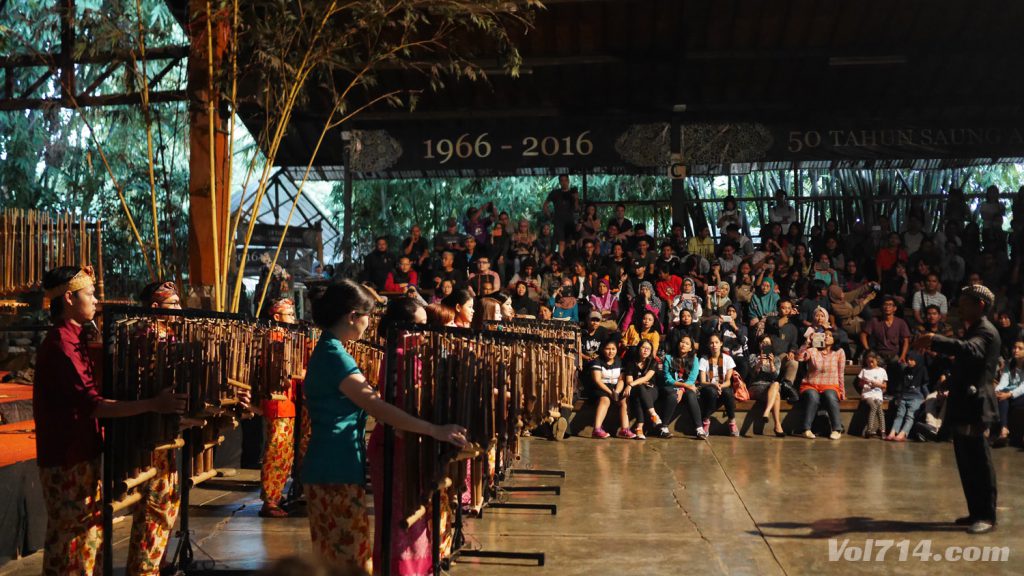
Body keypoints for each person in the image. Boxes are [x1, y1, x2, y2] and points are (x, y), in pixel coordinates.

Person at [303, 280, 468, 572]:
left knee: (341, 556)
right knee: (349, 560)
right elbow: (377, 407)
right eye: (368, 316)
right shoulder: (334, 356)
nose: (370, 324)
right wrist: (433, 429)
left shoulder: (331, 350)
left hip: (334, 465)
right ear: (353, 316)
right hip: (333, 466)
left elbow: (373, 400)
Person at [34, 267, 187, 575]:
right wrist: (153, 405)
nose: (96, 299)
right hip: (67, 456)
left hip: (82, 451)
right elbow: (95, 406)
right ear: (69, 298)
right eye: (89, 293)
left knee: (79, 541)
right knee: (75, 543)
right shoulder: (63, 344)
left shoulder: (76, 339)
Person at [912, 284, 1001, 534]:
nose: (959, 308)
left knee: (979, 461)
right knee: (966, 460)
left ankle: (987, 515)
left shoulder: (985, 332)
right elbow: (967, 364)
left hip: (976, 405)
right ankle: (975, 512)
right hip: (964, 402)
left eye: (964, 303)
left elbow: (969, 350)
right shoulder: (973, 329)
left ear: (980, 305)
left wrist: (935, 339)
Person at [260, 298, 302, 518]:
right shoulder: (274, 339)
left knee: (284, 453)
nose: (293, 319)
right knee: (276, 452)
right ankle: (270, 500)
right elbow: (281, 376)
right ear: (276, 317)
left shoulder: (284, 338)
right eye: (289, 315)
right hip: (278, 403)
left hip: (287, 404)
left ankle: (275, 494)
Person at [795, 330, 846, 440]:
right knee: (813, 396)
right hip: (811, 384)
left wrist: (842, 391)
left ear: (835, 339)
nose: (826, 337)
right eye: (824, 335)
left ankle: (837, 429)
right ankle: (806, 429)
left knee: (830, 396)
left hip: (830, 385)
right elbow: (799, 357)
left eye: (830, 335)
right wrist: (807, 342)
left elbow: (840, 373)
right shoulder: (813, 351)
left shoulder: (839, 352)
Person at [588, 339, 636, 439]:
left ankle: (624, 429)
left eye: (613, 349)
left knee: (624, 400)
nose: (611, 352)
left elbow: (621, 379)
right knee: (605, 400)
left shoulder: (620, 361)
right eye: (608, 349)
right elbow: (597, 380)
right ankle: (596, 429)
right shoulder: (597, 361)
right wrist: (610, 392)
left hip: (616, 387)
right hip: (601, 387)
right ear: (603, 349)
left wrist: (617, 392)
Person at [662, 336, 705, 438]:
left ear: (690, 348)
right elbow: (668, 378)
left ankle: (699, 429)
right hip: (670, 386)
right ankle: (663, 428)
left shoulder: (694, 360)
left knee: (691, 395)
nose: (683, 345)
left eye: (686, 343)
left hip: (686, 388)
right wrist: (682, 386)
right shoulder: (668, 358)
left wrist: (682, 389)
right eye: (681, 342)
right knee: (673, 395)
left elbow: (692, 379)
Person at [697, 333, 738, 437]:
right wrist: (714, 385)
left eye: (716, 342)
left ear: (721, 344)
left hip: (723, 387)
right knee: (711, 391)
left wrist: (720, 386)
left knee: (728, 391)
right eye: (711, 343)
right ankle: (706, 421)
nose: (714, 345)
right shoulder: (704, 359)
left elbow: (729, 381)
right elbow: (702, 382)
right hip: (708, 388)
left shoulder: (728, 359)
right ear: (708, 345)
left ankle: (732, 422)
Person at [624, 340, 663, 439]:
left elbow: (646, 378)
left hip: (652, 390)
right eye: (643, 347)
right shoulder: (631, 363)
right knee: (639, 391)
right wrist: (633, 384)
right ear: (638, 349)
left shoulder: (653, 362)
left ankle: (639, 428)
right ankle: (654, 415)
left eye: (648, 349)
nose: (645, 350)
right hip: (637, 389)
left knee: (639, 396)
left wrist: (632, 384)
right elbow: (629, 380)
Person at [748, 336, 786, 437]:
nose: (764, 344)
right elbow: (752, 375)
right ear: (759, 344)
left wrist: (771, 363)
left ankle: (767, 412)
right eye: (762, 342)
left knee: (776, 384)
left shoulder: (776, 359)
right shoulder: (753, 357)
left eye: (767, 343)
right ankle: (777, 425)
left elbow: (775, 376)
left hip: (770, 387)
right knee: (777, 394)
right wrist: (760, 362)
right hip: (756, 386)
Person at [886, 352, 929, 442]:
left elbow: (924, 385)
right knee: (899, 414)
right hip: (904, 396)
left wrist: (927, 397)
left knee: (910, 415)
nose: (909, 361)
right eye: (908, 359)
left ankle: (903, 433)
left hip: (916, 397)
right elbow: (902, 384)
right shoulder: (906, 370)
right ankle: (893, 432)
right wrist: (899, 396)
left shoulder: (922, 370)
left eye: (911, 359)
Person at [993, 339, 1024, 447]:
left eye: (1020, 348)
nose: (1016, 350)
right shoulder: (1009, 363)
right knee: (1002, 395)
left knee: (1006, 396)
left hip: (1020, 394)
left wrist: (1009, 394)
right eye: (1014, 347)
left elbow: (1023, 387)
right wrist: (997, 391)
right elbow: (1003, 381)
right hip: (1010, 394)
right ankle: (1004, 429)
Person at [543, 174, 579, 254]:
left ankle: (568, 262)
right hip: (559, 222)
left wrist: (576, 198)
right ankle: (560, 262)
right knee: (561, 243)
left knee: (570, 243)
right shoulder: (555, 193)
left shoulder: (572, 193)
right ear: (559, 182)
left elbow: (576, 209)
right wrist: (550, 217)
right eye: (562, 180)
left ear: (568, 181)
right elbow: (545, 205)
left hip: (570, 221)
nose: (564, 182)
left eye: (566, 180)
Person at [857, 352, 888, 438]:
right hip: (867, 394)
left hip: (877, 394)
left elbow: (884, 386)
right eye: (868, 362)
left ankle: (882, 431)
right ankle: (869, 429)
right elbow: (860, 384)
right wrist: (865, 383)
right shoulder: (864, 370)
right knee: (873, 406)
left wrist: (876, 384)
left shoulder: (882, 371)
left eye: (872, 361)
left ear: (876, 360)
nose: (870, 364)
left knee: (880, 410)